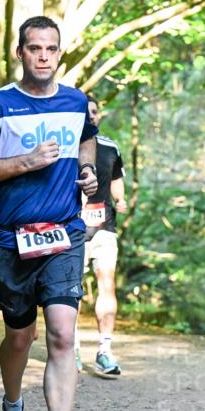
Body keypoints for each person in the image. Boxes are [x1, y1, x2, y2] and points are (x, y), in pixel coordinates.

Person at [0, 15, 98, 411]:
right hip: (11, 237)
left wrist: (88, 172)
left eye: (51, 49)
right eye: (34, 48)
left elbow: (88, 141)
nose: (43, 56)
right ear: (20, 53)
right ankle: (13, 406)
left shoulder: (76, 101)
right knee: (21, 336)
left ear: (61, 53)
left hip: (64, 233)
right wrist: (25, 162)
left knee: (62, 334)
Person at [75, 96, 128, 378]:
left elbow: (116, 178)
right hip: (70, 232)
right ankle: (70, 347)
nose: (91, 117)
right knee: (71, 291)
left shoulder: (110, 147)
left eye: (94, 112)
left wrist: (120, 199)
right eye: (85, 113)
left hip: (104, 229)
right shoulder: (66, 146)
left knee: (106, 284)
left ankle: (104, 351)